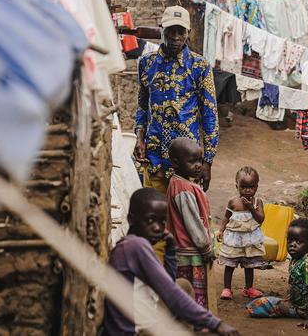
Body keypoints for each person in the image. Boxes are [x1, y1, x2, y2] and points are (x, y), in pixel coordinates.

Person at [102, 188, 239, 336]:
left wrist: (170, 250)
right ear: (131, 220)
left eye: (162, 222)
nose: (157, 228)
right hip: (134, 331)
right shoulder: (135, 247)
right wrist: (216, 323)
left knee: (183, 285)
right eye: (150, 220)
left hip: (144, 318)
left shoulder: (136, 244)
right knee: (180, 295)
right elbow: (170, 293)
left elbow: (170, 280)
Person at [133, 6, 218, 194]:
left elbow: (209, 115)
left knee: (183, 216)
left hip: (186, 162)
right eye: (171, 31)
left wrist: (207, 162)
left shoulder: (200, 66)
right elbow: (142, 106)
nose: (175, 37)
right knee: (155, 215)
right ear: (162, 29)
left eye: (181, 31)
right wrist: (139, 137)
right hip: (153, 157)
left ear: (188, 32)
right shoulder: (146, 63)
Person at [246, 218, 308, 330]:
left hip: (307, 311)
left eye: (298, 242)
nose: (292, 245)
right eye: (290, 240)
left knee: (264, 303)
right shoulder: (297, 259)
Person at [165, 137, 215, 310]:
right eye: (192, 161)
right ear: (176, 163)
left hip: (182, 250)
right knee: (193, 292)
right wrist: (205, 247)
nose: (198, 165)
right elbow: (192, 221)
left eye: (199, 160)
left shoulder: (176, 182)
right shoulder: (184, 190)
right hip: (190, 251)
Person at [217, 166, 266, 300]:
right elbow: (226, 217)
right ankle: (227, 288)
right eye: (243, 187)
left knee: (249, 265)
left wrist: (251, 208)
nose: (248, 190)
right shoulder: (233, 202)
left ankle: (248, 288)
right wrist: (221, 230)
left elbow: (260, 219)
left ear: (257, 186)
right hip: (234, 240)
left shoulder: (257, 202)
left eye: (252, 187)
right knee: (230, 264)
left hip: (250, 241)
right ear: (236, 186)